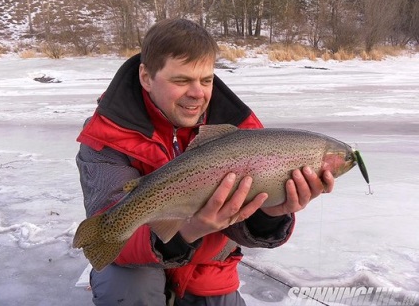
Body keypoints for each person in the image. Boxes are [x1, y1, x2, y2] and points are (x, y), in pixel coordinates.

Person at [76, 18, 334, 306]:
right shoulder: (105, 134)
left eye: (206, 80)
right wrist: (190, 228)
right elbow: (112, 237)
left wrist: (272, 211)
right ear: (146, 78)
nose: (198, 93)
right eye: (181, 80)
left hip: (208, 267)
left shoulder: (241, 132)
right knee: (125, 285)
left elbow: (242, 228)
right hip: (136, 268)